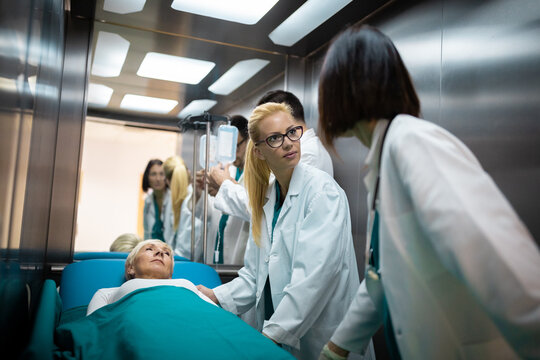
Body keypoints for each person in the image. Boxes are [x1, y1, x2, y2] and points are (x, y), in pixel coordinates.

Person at [317, 25, 540, 360]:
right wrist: (338, 346)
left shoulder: (411, 143)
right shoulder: (383, 160)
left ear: (341, 91)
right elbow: (379, 278)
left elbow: (502, 265)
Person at [197, 103, 360, 360]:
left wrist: (271, 336)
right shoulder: (268, 198)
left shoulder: (322, 192)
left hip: (320, 338)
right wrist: (215, 295)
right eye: (274, 138)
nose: (287, 143)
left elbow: (313, 280)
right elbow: (254, 277)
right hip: (281, 336)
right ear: (259, 151)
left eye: (292, 132)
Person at [87, 240, 215, 315]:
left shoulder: (189, 287)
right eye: (149, 249)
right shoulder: (106, 294)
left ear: (170, 273)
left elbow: (219, 317)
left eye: (166, 253)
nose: (160, 253)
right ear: (130, 268)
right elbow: (92, 330)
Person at [199, 115, 250, 265]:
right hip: (217, 251)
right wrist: (204, 191)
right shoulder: (230, 171)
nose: (233, 154)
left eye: (237, 146)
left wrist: (226, 185)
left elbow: (251, 209)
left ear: (249, 141)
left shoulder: (257, 177)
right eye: (229, 147)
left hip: (238, 259)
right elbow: (209, 214)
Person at [162, 156, 202, 261]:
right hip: (179, 261)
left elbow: (186, 250)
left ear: (166, 180)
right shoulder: (174, 202)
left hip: (184, 263)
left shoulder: (191, 204)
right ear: (188, 172)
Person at [142, 159, 169, 241]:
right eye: (153, 174)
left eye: (161, 174)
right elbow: (147, 233)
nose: (158, 179)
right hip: (153, 250)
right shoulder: (148, 201)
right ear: (147, 177)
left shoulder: (173, 199)